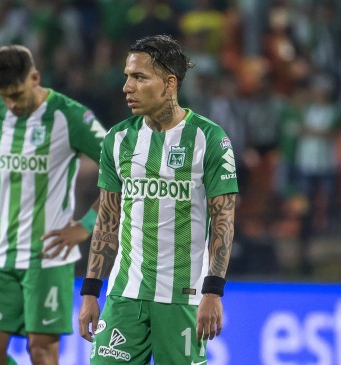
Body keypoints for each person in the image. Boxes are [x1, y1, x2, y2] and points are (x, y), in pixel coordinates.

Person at [78, 35, 238, 364]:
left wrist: (213, 291)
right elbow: (108, 219)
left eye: (139, 77)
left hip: (183, 298)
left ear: (169, 84)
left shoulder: (209, 139)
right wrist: (91, 291)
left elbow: (223, 219)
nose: (127, 87)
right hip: (125, 294)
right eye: (126, 76)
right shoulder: (118, 139)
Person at [0, 44, 105, 365]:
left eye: (16, 94)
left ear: (35, 77)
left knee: (41, 351)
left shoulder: (69, 116)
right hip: (1, 252)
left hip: (48, 256)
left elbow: (123, 169)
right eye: (3, 95)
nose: (10, 104)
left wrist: (85, 225)